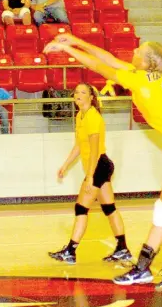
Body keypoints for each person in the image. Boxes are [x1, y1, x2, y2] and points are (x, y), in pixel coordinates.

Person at [44, 33, 162, 287]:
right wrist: (75, 41)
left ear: (148, 60)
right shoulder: (151, 77)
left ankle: (144, 267)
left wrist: (67, 50)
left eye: (139, 51)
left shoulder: (140, 80)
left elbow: (100, 66)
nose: (133, 53)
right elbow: (108, 58)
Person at [48, 83, 132, 264]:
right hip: (100, 166)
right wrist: (66, 165)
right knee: (109, 208)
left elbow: (94, 150)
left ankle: (70, 251)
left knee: (81, 208)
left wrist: (90, 176)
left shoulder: (93, 117)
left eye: (83, 92)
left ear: (91, 97)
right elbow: (79, 145)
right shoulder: (80, 115)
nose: (78, 94)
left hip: (99, 166)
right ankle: (123, 248)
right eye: (76, 92)